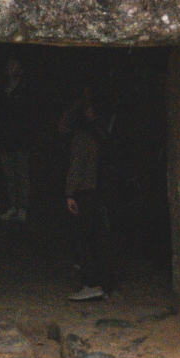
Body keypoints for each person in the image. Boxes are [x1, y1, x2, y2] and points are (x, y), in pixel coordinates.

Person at [59, 85, 112, 299]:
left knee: (81, 238)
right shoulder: (99, 133)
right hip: (98, 190)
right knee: (98, 237)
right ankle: (103, 282)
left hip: (86, 191)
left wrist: (69, 192)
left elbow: (78, 167)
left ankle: (92, 283)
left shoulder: (83, 136)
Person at [0, 56, 32, 222]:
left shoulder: (24, 90)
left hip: (21, 140)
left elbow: (28, 116)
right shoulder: (3, 89)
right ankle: (13, 206)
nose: (10, 68)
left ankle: (23, 209)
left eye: (13, 65)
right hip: (5, 139)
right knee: (9, 176)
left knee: (22, 175)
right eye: (9, 65)